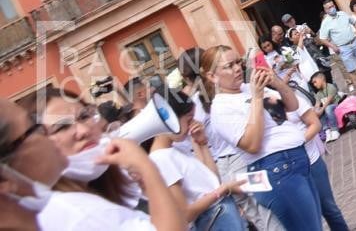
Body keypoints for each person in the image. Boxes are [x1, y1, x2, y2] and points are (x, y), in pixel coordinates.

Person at [0, 97, 184, 231]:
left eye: (85, 116)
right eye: (61, 127)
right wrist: (148, 170)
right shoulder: (72, 213)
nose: (83, 131)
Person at [204, 46, 322, 231]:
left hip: (296, 158)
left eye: (238, 63)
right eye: (228, 66)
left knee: (314, 225)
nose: (237, 69)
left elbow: (291, 107)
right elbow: (251, 144)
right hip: (275, 168)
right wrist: (257, 98)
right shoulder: (220, 108)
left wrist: (276, 82)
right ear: (212, 76)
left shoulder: (247, 88)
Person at [149, 90, 247, 231]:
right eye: (188, 120)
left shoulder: (174, 151)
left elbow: (212, 180)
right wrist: (223, 190)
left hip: (221, 214)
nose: (192, 124)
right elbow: (185, 213)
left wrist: (201, 143)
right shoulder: (161, 158)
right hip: (215, 218)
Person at [286, 86, 349, 231]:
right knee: (307, 218)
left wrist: (295, 144)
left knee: (329, 208)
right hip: (287, 173)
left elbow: (315, 124)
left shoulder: (291, 98)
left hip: (311, 162)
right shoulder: (254, 109)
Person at [309, 72, 341, 143]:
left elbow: (329, 101)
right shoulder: (318, 93)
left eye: (315, 82)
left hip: (336, 105)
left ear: (322, 79)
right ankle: (327, 130)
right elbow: (317, 104)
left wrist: (321, 110)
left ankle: (335, 129)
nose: (314, 84)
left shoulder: (330, 87)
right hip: (327, 108)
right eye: (313, 83)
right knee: (319, 111)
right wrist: (314, 111)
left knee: (327, 108)